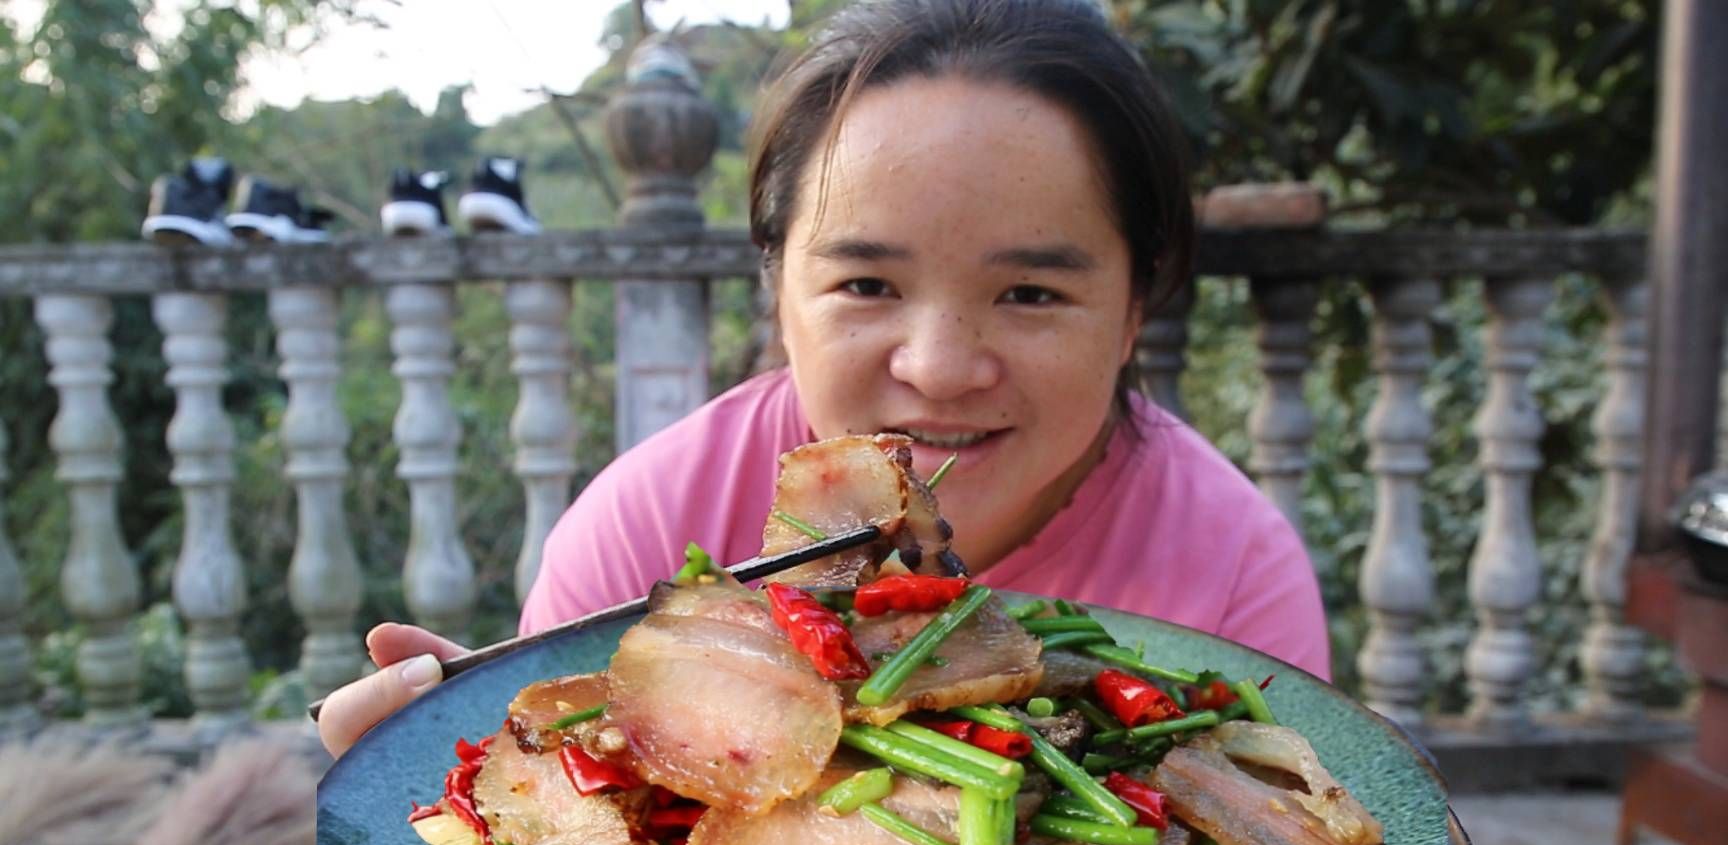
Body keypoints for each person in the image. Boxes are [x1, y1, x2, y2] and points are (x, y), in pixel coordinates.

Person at [319, 0, 1326, 760]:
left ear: (1135, 306)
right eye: (867, 283)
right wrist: (465, 791)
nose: (937, 366)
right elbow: (577, 811)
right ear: (778, 287)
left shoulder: (1232, 569)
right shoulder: (648, 526)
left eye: (1029, 292)